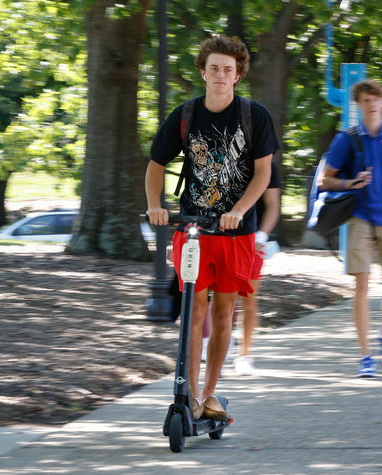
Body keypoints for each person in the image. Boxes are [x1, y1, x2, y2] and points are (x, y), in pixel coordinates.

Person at [145, 35, 279, 419]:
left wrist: (237, 210)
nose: (221, 75)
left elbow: (263, 174)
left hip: (236, 235)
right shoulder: (186, 115)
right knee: (193, 314)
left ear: (237, 77)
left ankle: (207, 395)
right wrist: (155, 205)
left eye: (228, 70)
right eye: (215, 68)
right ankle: (187, 395)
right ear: (203, 73)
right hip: (193, 232)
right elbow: (156, 164)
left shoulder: (255, 116)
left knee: (223, 315)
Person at [317, 79, 382, 377]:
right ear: (358, 105)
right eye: (365, 100)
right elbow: (325, 180)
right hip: (360, 216)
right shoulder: (346, 140)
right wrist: (351, 182)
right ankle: (365, 356)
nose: (372, 104)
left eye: (376, 99)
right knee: (361, 286)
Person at [233, 160, 281, 375]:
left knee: (249, 300)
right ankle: (215, 348)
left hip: (252, 239)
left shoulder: (267, 163)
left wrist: (261, 236)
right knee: (218, 300)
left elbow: (273, 205)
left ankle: (244, 354)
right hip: (222, 235)